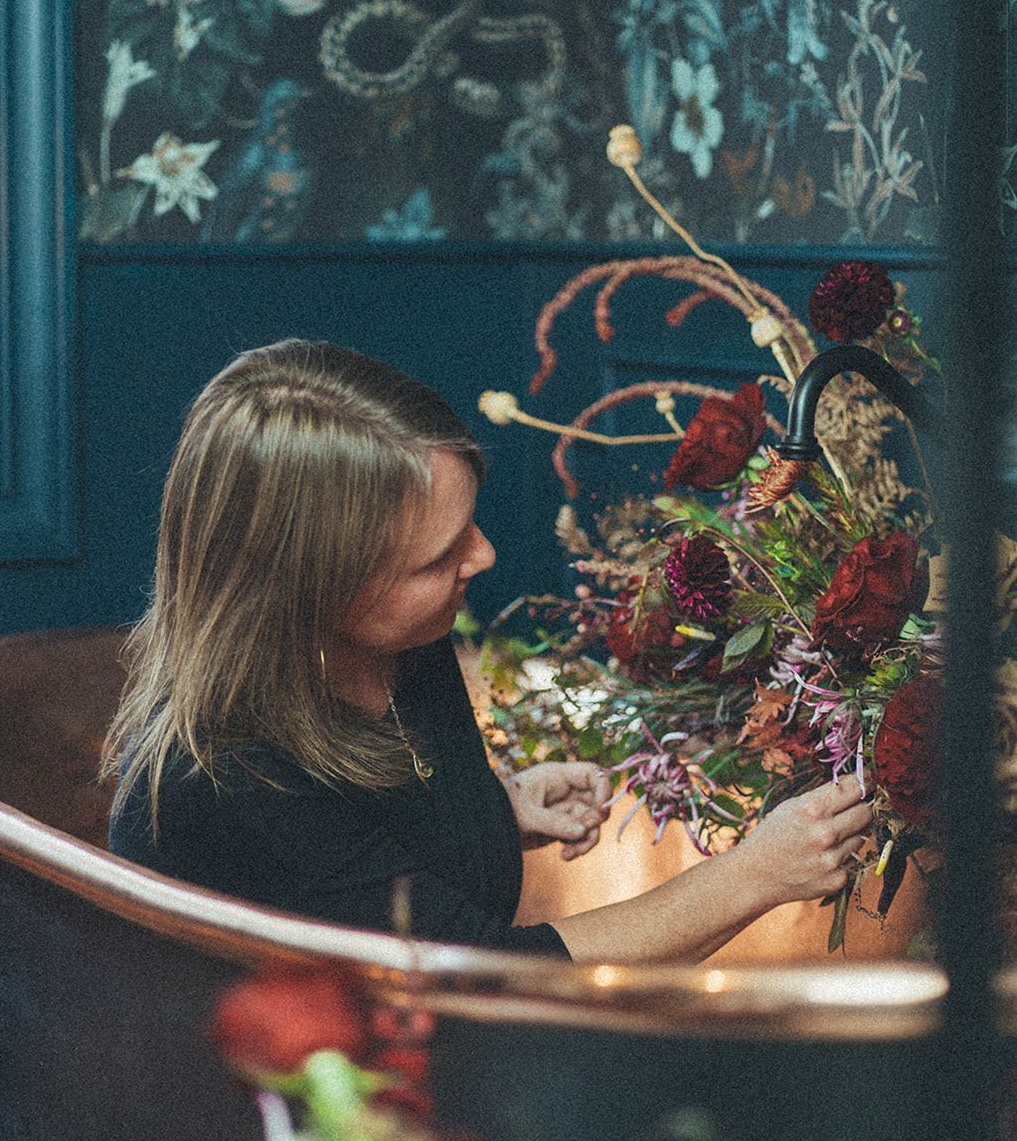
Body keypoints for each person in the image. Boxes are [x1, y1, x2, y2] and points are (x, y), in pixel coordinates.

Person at [107, 339, 871, 963]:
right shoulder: (229, 784)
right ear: (311, 593)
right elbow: (494, 983)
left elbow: (355, 879)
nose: (484, 556)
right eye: (437, 559)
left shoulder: (398, 652)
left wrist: (495, 813)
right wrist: (753, 875)